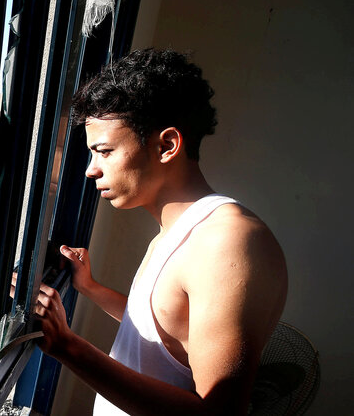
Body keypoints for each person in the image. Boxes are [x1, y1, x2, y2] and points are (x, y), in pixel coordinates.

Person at [24, 49, 287, 415]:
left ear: (166, 145)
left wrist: (67, 346)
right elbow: (164, 331)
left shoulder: (228, 244)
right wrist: (91, 287)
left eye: (105, 151)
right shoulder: (179, 231)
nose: (90, 170)